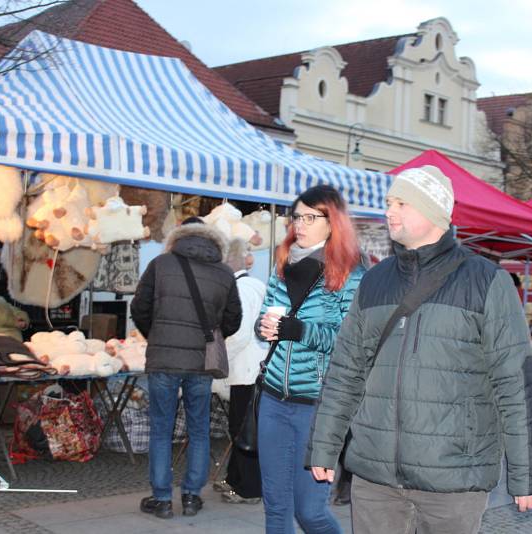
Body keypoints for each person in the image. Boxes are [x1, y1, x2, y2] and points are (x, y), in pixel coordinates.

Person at [307, 166, 532, 534]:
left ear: (434, 211)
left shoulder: (486, 281)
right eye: (389, 202)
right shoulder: (375, 280)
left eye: (402, 203)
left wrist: (526, 471)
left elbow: (514, 382)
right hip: (376, 476)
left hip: (453, 478)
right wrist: (325, 445)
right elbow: (346, 371)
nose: (390, 211)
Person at [255, 184, 365, 534]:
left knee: (310, 512)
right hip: (273, 398)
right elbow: (266, 320)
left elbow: (350, 343)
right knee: (275, 508)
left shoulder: (350, 273)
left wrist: (299, 331)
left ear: (332, 222)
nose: (298, 225)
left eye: (309, 217)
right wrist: (264, 327)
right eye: (296, 217)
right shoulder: (283, 263)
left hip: (317, 406)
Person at [131, 217, 242, 519]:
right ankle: (192, 496)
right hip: (201, 363)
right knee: (199, 429)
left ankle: (162, 499)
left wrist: (156, 335)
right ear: (211, 239)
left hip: (163, 360)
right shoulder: (224, 272)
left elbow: (139, 308)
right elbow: (234, 319)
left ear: (178, 237)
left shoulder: (161, 264)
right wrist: (210, 337)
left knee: (161, 430)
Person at [212, 239, 267, 505]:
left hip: (246, 368)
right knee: (243, 427)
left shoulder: (241, 288)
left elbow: (239, 333)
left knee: (244, 429)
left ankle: (249, 489)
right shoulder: (255, 285)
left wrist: (220, 360)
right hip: (254, 367)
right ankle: (236, 479)